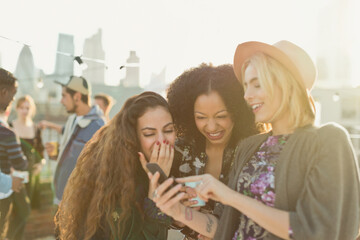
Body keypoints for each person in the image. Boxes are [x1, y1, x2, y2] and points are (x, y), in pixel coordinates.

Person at [151, 40, 360, 240]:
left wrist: (231, 196)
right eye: (246, 86)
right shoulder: (249, 147)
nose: (246, 95)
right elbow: (223, 225)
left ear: (286, 85)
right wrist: (177, 211)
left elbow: (318, 231)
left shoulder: (328, 140)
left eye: (256, 85)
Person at [56, 91, 176, 240]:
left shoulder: (178, 162)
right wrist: (157, 185)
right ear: (133, 137)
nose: (161, 141)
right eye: (149, 133)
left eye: (168, 130)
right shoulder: (117, 179)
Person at [166, 63, 258, 239]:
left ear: (238, 112)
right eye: (201, 117)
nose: (211, 126)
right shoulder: (181, 150)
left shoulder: (254, 152)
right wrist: (179, 215)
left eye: (221, 116)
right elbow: (163, 217)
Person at [39, 76, 105, 205]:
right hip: (62, 198)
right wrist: (58, 152)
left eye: (64, 96)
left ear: (77, 97)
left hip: (78, 203)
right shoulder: (73, 119)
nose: (61, 101)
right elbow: (75, 157)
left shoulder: (98, 127)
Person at [0, 68, 29, 240]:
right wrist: (10, 182)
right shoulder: (7, 133)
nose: (13, 99)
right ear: (3, 92)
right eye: (13, 93)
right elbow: (20, 163)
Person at [11, 95, 44, 209]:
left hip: (32, 176)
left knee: (29, 209)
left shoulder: (36, 128)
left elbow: (40, 152)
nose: (24, 111)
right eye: (21, 107)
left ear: (32, 110)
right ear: (17, 109)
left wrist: (40, 165)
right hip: (14, 174)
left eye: (27, 108)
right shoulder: (10, 127)